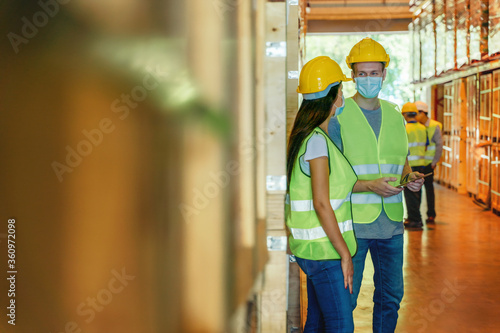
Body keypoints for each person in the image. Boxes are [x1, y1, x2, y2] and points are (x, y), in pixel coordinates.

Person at [327, 37, 424, 332]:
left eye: (374, 72)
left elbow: (401, 159)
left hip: (392, 224)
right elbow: (329, 178)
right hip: (353, 225)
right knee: (347, 299)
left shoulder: (395, 115)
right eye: (362, 73)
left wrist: (410, 178)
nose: (368, 79)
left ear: (384, 73)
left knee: (391, 298)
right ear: (353, 75)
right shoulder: (338, 117)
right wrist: (369, 186)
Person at [286, 56, 356, 332]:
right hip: (325, 252)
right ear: (335, 96)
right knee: (340, 326)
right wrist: (345, 254)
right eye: (341, 91)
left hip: (313, 251)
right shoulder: (316, 142)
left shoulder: (306, 137)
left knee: (315, 323)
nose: (342, 96)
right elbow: (321, 203)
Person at [415, 101, 443, 224]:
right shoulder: (416, 126)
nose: (415, 116)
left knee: (429, 189)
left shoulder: (434, 126)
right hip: (417, 163)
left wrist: (434, 161)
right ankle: (417, 215)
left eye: (416, 113)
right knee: (416, 190)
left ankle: (431, 214)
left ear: (422, 113)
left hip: (428, 164)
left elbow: (439, 145)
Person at [402, 102, 429, 229]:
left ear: (405, 115)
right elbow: (426, 145)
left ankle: (415, 219)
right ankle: (415, 217)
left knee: (410, 193)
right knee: (418, 191)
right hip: (422, 164)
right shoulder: (423, 128)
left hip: (410, 165)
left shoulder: (405, 129)